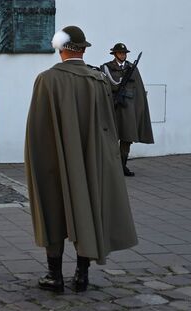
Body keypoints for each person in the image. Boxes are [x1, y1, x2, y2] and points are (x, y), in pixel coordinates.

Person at [24, 26, 138, 293]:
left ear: (60, 48)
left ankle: (55, 276)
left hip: (54, 159)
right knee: (87, 208)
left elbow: (38, 129)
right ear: (84, 49)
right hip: (90, 160)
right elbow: (107, 127)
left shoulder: (46, 79)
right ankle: (82, 275)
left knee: (52, 210)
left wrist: (35, 160)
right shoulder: (98, 80)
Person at [101, 43, 154, 177]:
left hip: (128, 110)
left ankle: (122, 166)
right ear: (114, 54)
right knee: (111, 138)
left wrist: (139, 108)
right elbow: (105, 86)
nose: (123, 55)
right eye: (120, 53)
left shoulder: (132, 68)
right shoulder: (107, 68)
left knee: (127, 138)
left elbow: (139, 89)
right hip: (113, 107)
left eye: (124, 53)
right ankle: (111, 166)